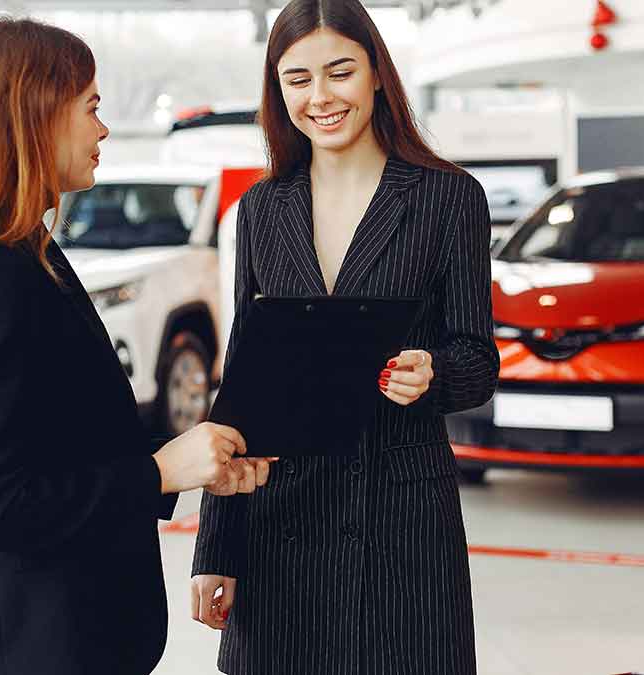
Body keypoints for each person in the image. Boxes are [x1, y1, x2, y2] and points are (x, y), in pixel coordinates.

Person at [0, 17, 271, 675]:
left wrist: (188, 461)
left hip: (64, 629)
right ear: (31, 114)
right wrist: (161, 471)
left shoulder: (31, 254)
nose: (102, 129)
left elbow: (60, 445)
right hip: (28, 641)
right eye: (91, 108)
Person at [189, 1, 500, 673]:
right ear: (278, 90)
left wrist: (434, 373)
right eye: (297, 79)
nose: (320, 97)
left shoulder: (448, 198)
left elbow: (479, 358)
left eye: (340, 72)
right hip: (282, 526)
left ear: (377, 75)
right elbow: (242, 383)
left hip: (403, 523)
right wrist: (216, 548)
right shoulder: (262, 210)